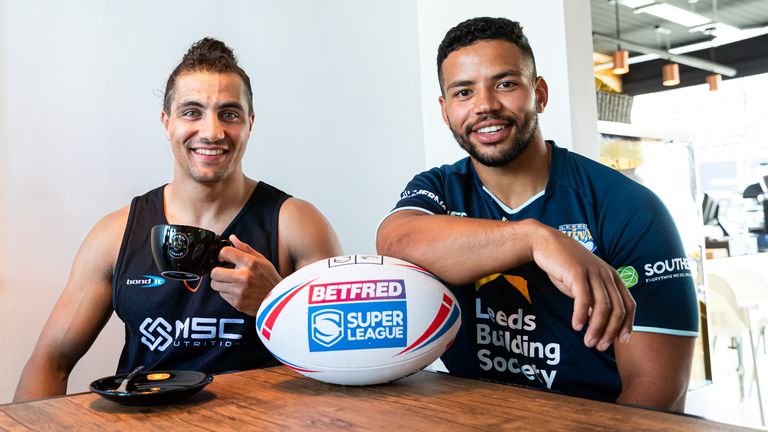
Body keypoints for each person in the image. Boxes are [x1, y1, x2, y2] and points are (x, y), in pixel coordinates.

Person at [376, 17, 698, 412]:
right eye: (463, 92)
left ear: (539, 94)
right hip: (472, 418)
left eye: (506, 84)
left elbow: (657, 394)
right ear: (445, 111)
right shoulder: (440, 189)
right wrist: (535, 238)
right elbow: (397, 242)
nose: (485, 106)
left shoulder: (629, 207)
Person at [14, 38, 342, 401]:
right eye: (192, 112)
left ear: (249, 124)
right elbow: (50, 362)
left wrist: (276, 302)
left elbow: (343, 357)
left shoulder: (296, 225)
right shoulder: (115, 235)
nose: (212, 131)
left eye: (229, 114)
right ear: (167, 122)